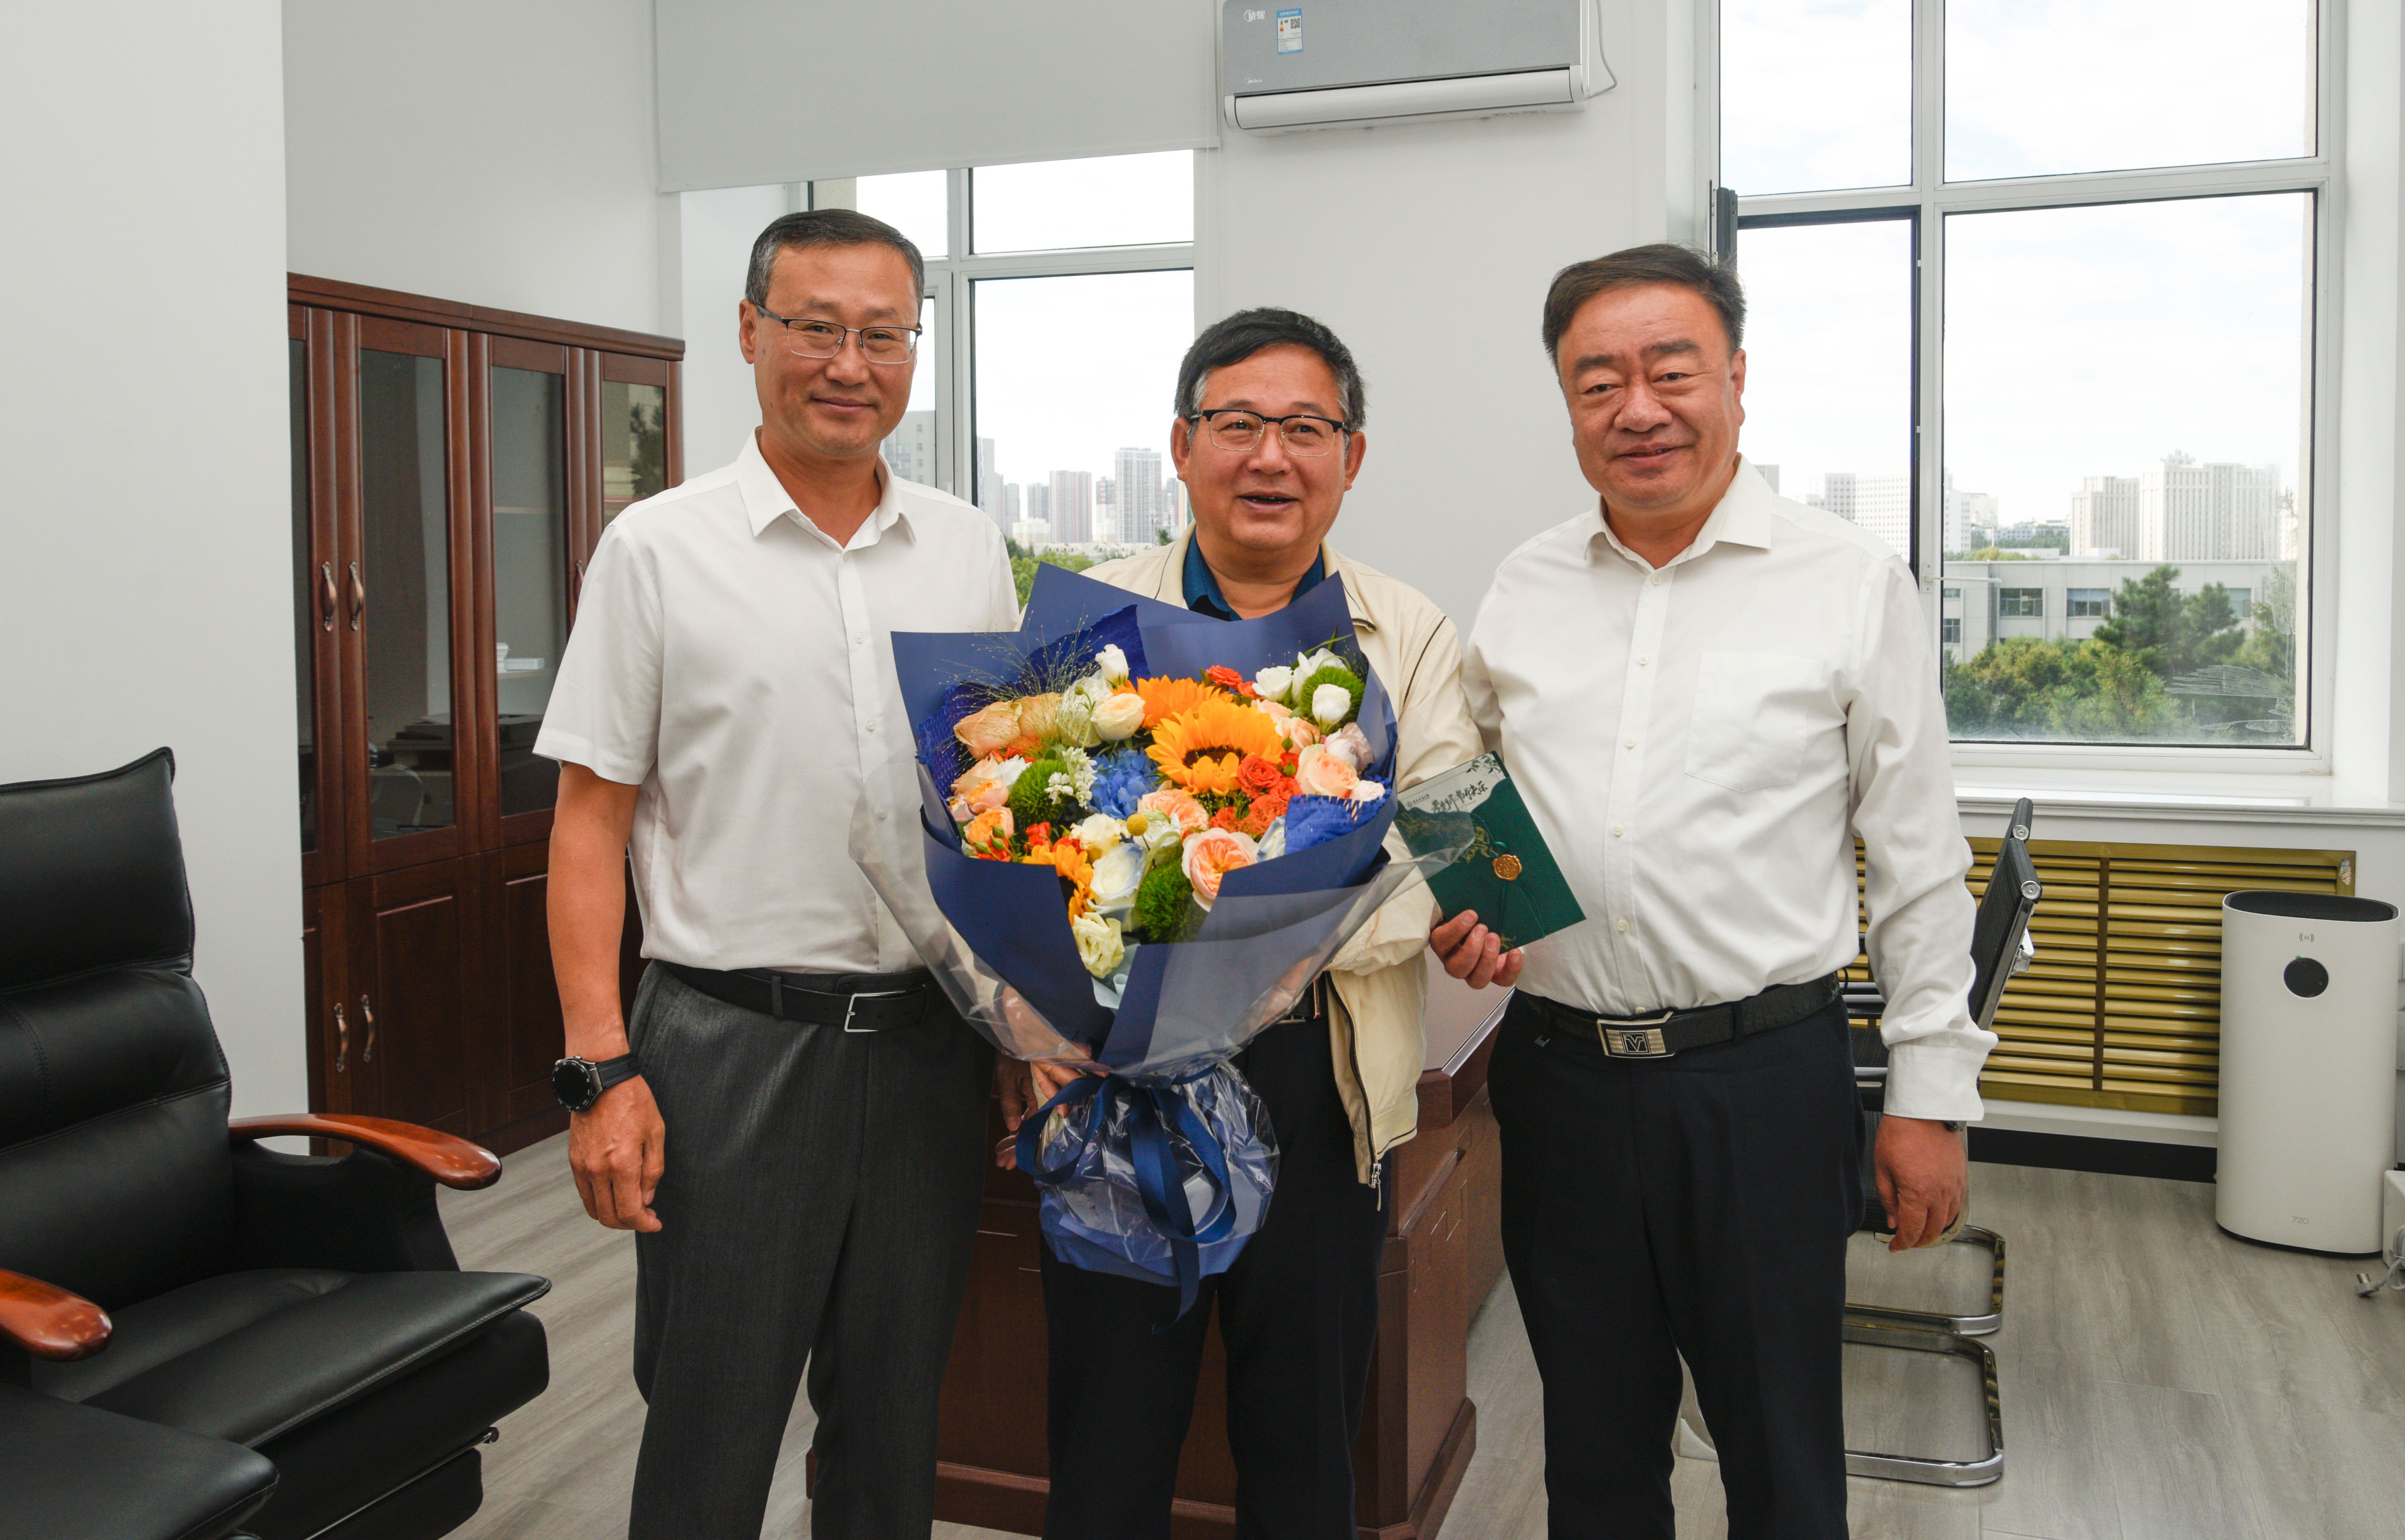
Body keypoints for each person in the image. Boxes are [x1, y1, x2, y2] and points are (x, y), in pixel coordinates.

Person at [1431, 243, 1992, 1540]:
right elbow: (1466, 790)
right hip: (1559, 1081)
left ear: (1735, 378)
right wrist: (1466, 914)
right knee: (1594, 1454)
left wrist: (1928, 1098)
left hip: (1760, 1087)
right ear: (1567, 404)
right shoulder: (1524, 583)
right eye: (1598, 383)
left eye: (1670, 371)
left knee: (1780, 1458)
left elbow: (1917, 861)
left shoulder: (1846, 580)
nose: (1637, 408)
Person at [533, 208, 1017, 1540]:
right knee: (712, 1425)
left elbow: (992, 812)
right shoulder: (659, 549)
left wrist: (1016, 1025)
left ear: (914, 351)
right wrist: (599, 1071)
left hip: (926, 1048)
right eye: (816, 329)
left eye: (883, 336)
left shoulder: (968, 549)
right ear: (750, 332)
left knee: (896, 1426)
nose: (849, 365)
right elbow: (586, 825)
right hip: (730, 1051)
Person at [1032, 307, 1481, 1540]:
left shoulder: (1408, 631)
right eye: (1236, 424)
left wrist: (1271, 937)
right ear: (1183, 446)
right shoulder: (1085, 620)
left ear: (1351, 455)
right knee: (1109, 1432)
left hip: (1318, 1073)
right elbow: (1016, 830)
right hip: (1119, 1076)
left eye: (1304, 428)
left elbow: (1445, 846)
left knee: (1303, 1435)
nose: (1269, 456)